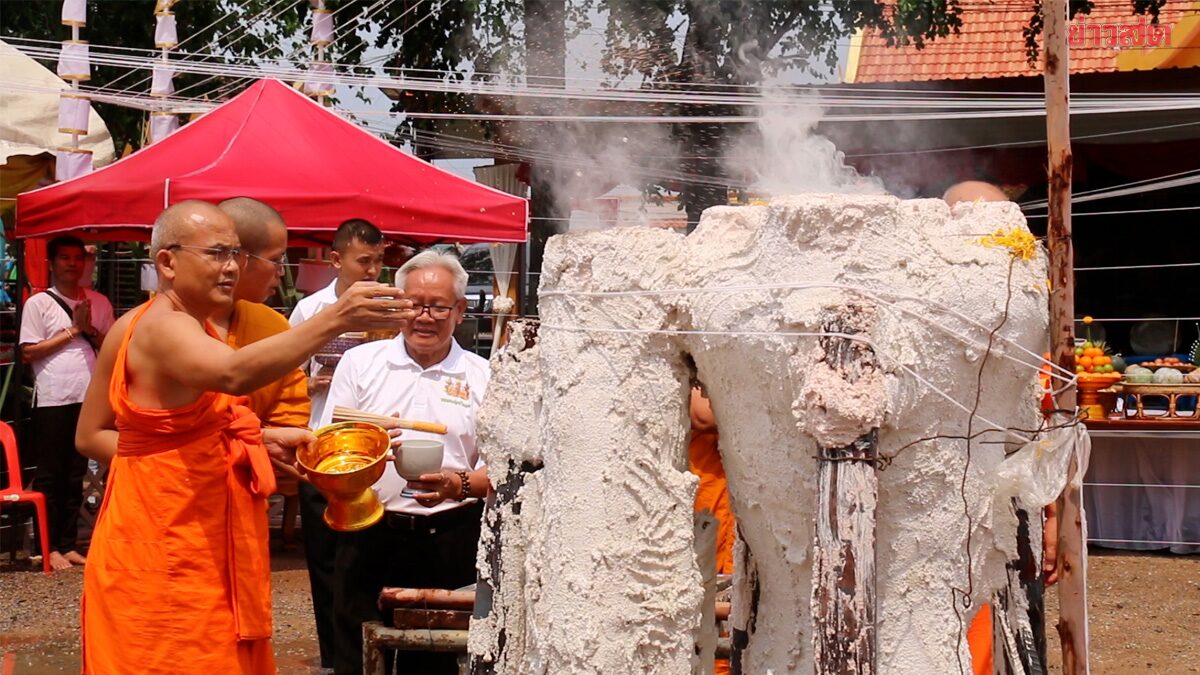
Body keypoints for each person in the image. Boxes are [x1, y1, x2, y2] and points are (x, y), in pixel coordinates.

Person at [73, 200, 411, 674]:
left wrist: (255, 441)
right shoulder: (157, 327)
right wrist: (335, 318)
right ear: (167, 262)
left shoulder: (188, 326)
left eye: (236, 254)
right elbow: (230, 375)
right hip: (163, 543)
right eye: (215, 254)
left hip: (201, 537)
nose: (231, 267)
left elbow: (122, 434)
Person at [319, 249, 490, 675]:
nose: (424, 317)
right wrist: (368, 450)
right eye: (414, 304)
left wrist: (460, 485)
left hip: (449, 534)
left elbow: (499, 469)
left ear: (461, 310)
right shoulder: (361, 364)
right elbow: (327, 445)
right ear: (399, 304)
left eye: (438, 306)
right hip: (369, 528)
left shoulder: (483, 375)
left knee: (432, 660)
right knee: (355, 653)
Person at [288, 218, 385, 669]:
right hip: (321, 444)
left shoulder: (388, 305)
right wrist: (315, 381)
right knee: (325, 560)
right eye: (363, 261)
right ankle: (333, 657)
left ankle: (376, 651)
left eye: (379, 260)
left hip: (368, 449)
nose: (372, 270)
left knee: (366, 560)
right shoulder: (310, 311)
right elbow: (288, 377)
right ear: (336, 260)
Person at [18, 235, 115, 571]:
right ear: (53, 263)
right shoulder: (39, 304)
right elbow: (28, 352)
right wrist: (73, 330)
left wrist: (89, 330)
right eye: (65, 258)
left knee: (75, 474)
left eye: (78, 258)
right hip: (53, 397)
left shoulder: (100, 302)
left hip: (88, 396)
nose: (72, 265)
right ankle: (47, 546)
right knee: (50, 474)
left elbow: (112, 347)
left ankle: (68, 543)